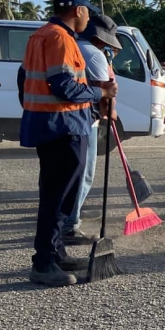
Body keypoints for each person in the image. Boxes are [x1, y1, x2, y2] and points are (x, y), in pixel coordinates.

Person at [18, 0, 117, 286]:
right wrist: (101, 92)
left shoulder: (40, 35)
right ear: (78, 10)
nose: (89, 18)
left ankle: (55, 253)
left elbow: (24, 78)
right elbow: (64, 86)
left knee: (55, 194)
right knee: (59, 198)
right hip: (64, 126)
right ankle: (44, 262)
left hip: (48, 124)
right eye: (88, 11)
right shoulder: (60, 38)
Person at [62, 14, 121, 245]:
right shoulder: (94, 54)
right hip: (85, 121)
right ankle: (70, 226)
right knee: (83, 175)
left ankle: (62, 221)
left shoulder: (70, 46)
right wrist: (111, 112)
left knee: (66, 174)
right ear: (100, 39)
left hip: (63, 120)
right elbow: (103, 91)